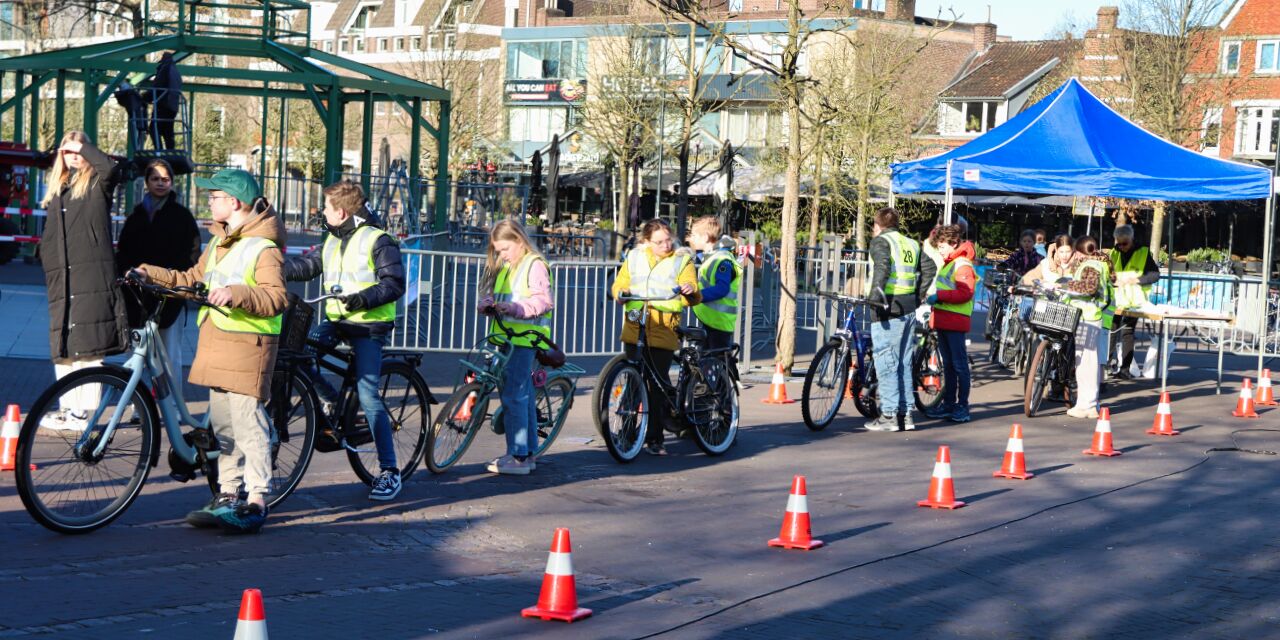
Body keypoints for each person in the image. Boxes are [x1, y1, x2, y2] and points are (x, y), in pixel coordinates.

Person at [134, 169, 287, 534]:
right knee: (223, 427)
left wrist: (237, 293)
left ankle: (257, 498)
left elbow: (277, 297)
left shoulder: (263, 248)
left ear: (234, 203)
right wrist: (148, 273)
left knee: (250, 426)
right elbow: (192, 278)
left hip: (249, 348)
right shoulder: (219, 243)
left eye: (215, 196)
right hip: (219, 345)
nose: (209, 202)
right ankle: (228, 493)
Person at [282, 180, 407, 497]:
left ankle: (390, 471)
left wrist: (364, 299)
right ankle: (334, 400)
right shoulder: (332, 239)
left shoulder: (379, 240)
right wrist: (275, 268)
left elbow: (394, 283)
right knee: (302, 355)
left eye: (325, 207)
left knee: (368, 396)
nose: (321, 212)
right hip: (338, 319)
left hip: (368, 326)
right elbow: (310, 265)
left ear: (340, 211)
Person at [37, 132, 130, 431]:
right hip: (62, 278)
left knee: (89, 347)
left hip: (91, 275)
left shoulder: (97, 184)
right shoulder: (57, 190)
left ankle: (83, 414)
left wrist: (84, 147)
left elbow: (111, 168)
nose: (74, 156)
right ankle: (68, 410)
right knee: (63, 344)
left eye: (79, 151)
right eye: (68, 151)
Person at [611, 219, 701, 454]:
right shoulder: (635, 257)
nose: (666, 245)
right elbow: (620, 283)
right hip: (636, 321)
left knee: (657, 384)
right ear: (646, 242)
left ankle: (655, 438)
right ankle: (627, 433)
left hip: (663, 326)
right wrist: (620, 293)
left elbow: (691, 285)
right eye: (659, 242)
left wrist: (690, 289)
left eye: (668, 239)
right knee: (632, 380)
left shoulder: (682, 259)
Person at [476, 220, 554, 475]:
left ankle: (519, 456)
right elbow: (504, 299)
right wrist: (489, 304)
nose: (502, 255)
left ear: (519, 241)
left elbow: (543, 301)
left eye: (505, 249)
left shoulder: (534, 265)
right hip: (508, 339)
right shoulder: (510, 266)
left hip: (523, 340)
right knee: (522, 396)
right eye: (498, 251)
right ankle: (526, 453)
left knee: (514, 396)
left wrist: (515, 309)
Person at [115, 159, 201, 385]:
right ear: (147, 182)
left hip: (169, 296)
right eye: (155, 178)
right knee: (136, 354)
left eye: (166, 179)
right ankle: (138, 404)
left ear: (172, 182)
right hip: (137, 298)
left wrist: (176, 280)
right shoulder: (135, 217)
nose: (161, 183)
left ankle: (171, 404)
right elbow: (123, 251)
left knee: (168, 355)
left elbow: (192, 254)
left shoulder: (182, 217)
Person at [865, 207, 935, 432]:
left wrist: (875, 299)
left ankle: (889, 415)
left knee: (886, 361)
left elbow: (882, 269)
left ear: (878, 226)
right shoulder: (911, 243)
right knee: (904, 362)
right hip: (907, 309)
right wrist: (917, 295)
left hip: (888, 308)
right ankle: (906, 415)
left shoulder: (881, 242)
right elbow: (930, 267)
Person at [925, 224, 976, 423]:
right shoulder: (951, 262)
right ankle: (948, 404)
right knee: (950, 366)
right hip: (946, 320)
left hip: (954, 321)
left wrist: (939, 296)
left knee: (959, 366)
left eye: (943, 246)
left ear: (954, 244)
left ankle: (961, 406)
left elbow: (965, 293)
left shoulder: (962, 264)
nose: (940, 250)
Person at [1064, 236, 1113, 419]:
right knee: (1085, 362)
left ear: (1079, 251)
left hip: (1088, 316)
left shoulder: (1090, 265)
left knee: (1086, 363)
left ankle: (1089, 404)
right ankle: (1086, 403)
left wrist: (1066, 284)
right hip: (1089, 316)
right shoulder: (1097, 264)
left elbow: (1090, 288)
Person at [1108, 224, 1160, 379]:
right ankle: (1108, 364)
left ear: (1131, 240)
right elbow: (1108, 273)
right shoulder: (1113, 253)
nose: (1122, 247)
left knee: (1128, 333)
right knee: (1111, 330)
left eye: (1125, 243)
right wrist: (1112, 280)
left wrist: (1136, 279)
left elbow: (1155, 275)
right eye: (1119, 243)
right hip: (1116, 299)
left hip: (1135, 302)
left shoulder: (1143, 252)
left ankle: (1125, 368)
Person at [686, 216, 741, 356]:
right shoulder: (711, 257)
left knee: (716, 364)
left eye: (693, 235)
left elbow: (722, 288)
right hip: (711, 321)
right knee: (705, 362)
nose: (689, 239)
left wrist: (698, 295)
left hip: (719, 324)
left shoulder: (723, 259)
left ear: (705, 237)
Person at [146, 52, 182, 150]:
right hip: (173, 106)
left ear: (164, 60)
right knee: (167, 131)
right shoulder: (176, 72)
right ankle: (170, 150)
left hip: (163, 104)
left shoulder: (165, 69)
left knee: (153, 129)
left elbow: (158, 85)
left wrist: (146, 97)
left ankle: (159, 151)